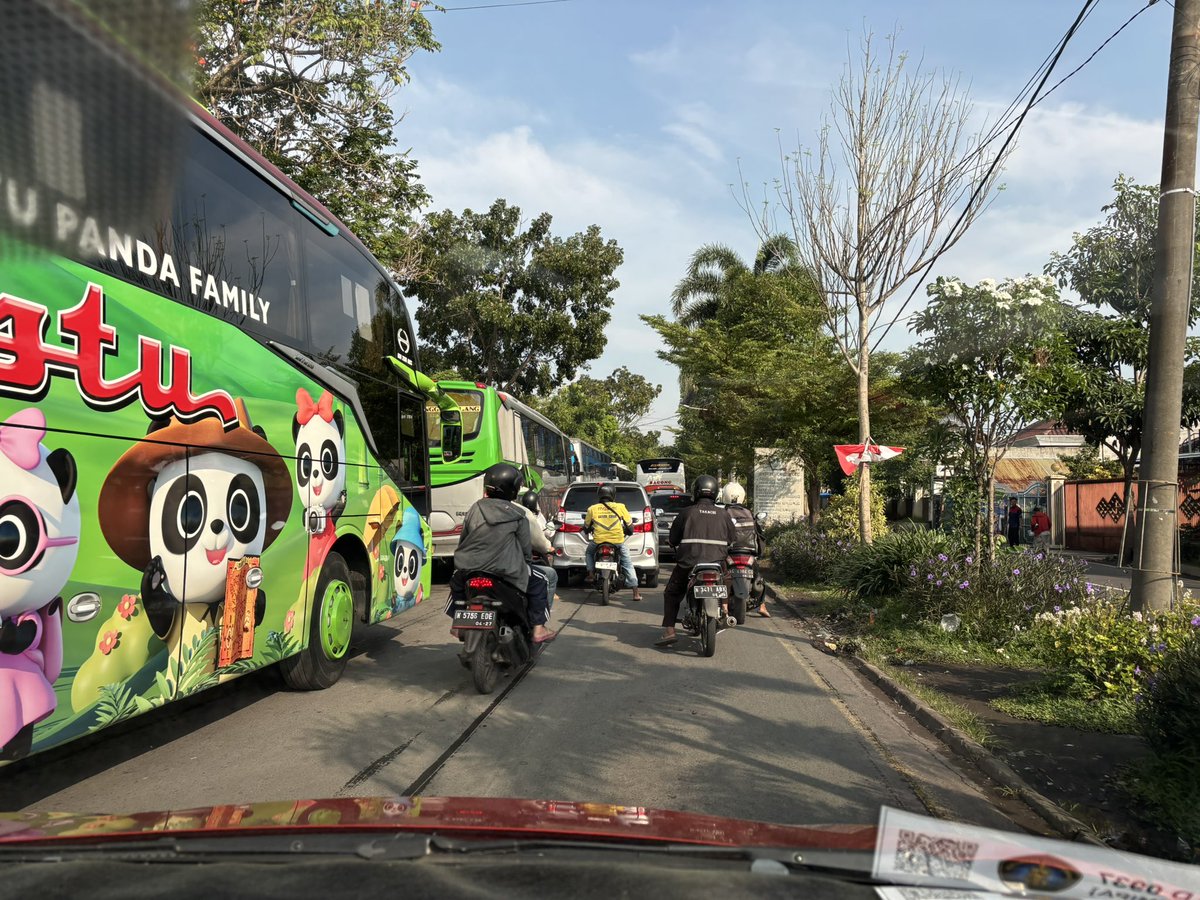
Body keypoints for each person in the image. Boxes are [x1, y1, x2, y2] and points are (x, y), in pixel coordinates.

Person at [447, 463, 555, 644]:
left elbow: (463, 540)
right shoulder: (519, 514)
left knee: (456, 581)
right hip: (506, 571)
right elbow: (525, 551)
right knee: (541, 580)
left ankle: (457, 624)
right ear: (513, 489)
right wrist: (525, 564)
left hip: (469, 568)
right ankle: (538, 628)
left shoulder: (475, 508)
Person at [657, 474, 737, 647]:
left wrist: (672, 543)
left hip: (689, 562)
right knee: (727, 579)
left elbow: (673, 539)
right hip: (717, 563)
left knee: (672, 593)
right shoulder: (724, 515)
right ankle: (724, 609)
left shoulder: (686, 512)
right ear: (715, 493)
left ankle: (669, 631)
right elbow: (732, 539)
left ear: (696, 491)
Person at [583, 484, 642, 601]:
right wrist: (628, 531)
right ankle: (635, 593)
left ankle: (590, 574)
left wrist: (589, 529)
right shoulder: (620, 507)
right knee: (627, 564)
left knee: (589, 553)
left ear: (599, 494)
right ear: (613, 494)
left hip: (598, 541)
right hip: (617, 542)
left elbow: (586, 527)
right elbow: (630, 528)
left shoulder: (592, 509)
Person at [720, 482, 769, 617]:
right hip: (748, 552)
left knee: (721, 576)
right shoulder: (748, 513)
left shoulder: (723, 513)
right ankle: (762, 605)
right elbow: (759, 535)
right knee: (758, 576)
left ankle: (724, 605)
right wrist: (759, 552)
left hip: (729, 552)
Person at [519, 488, 560, 605]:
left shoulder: (517, 513)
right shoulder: (534, 517)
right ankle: (545, 609)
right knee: (551, 575)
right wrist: (549, 548)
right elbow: (540, 540)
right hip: (527, 557)